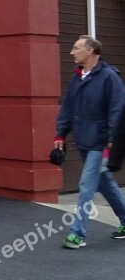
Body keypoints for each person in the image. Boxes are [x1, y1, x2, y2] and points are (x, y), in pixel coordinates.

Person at [55, 35, 125, 248]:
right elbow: (67, 108)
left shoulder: (109, 77)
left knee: (86, 185)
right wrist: (60, 134)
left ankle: (78, 233)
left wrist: (113, 140)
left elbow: (118, 110)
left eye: (76, 48)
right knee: (106, 184)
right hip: (83, 139)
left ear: (91, 51)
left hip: (101, 142)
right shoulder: (77, 77)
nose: (72, 52)